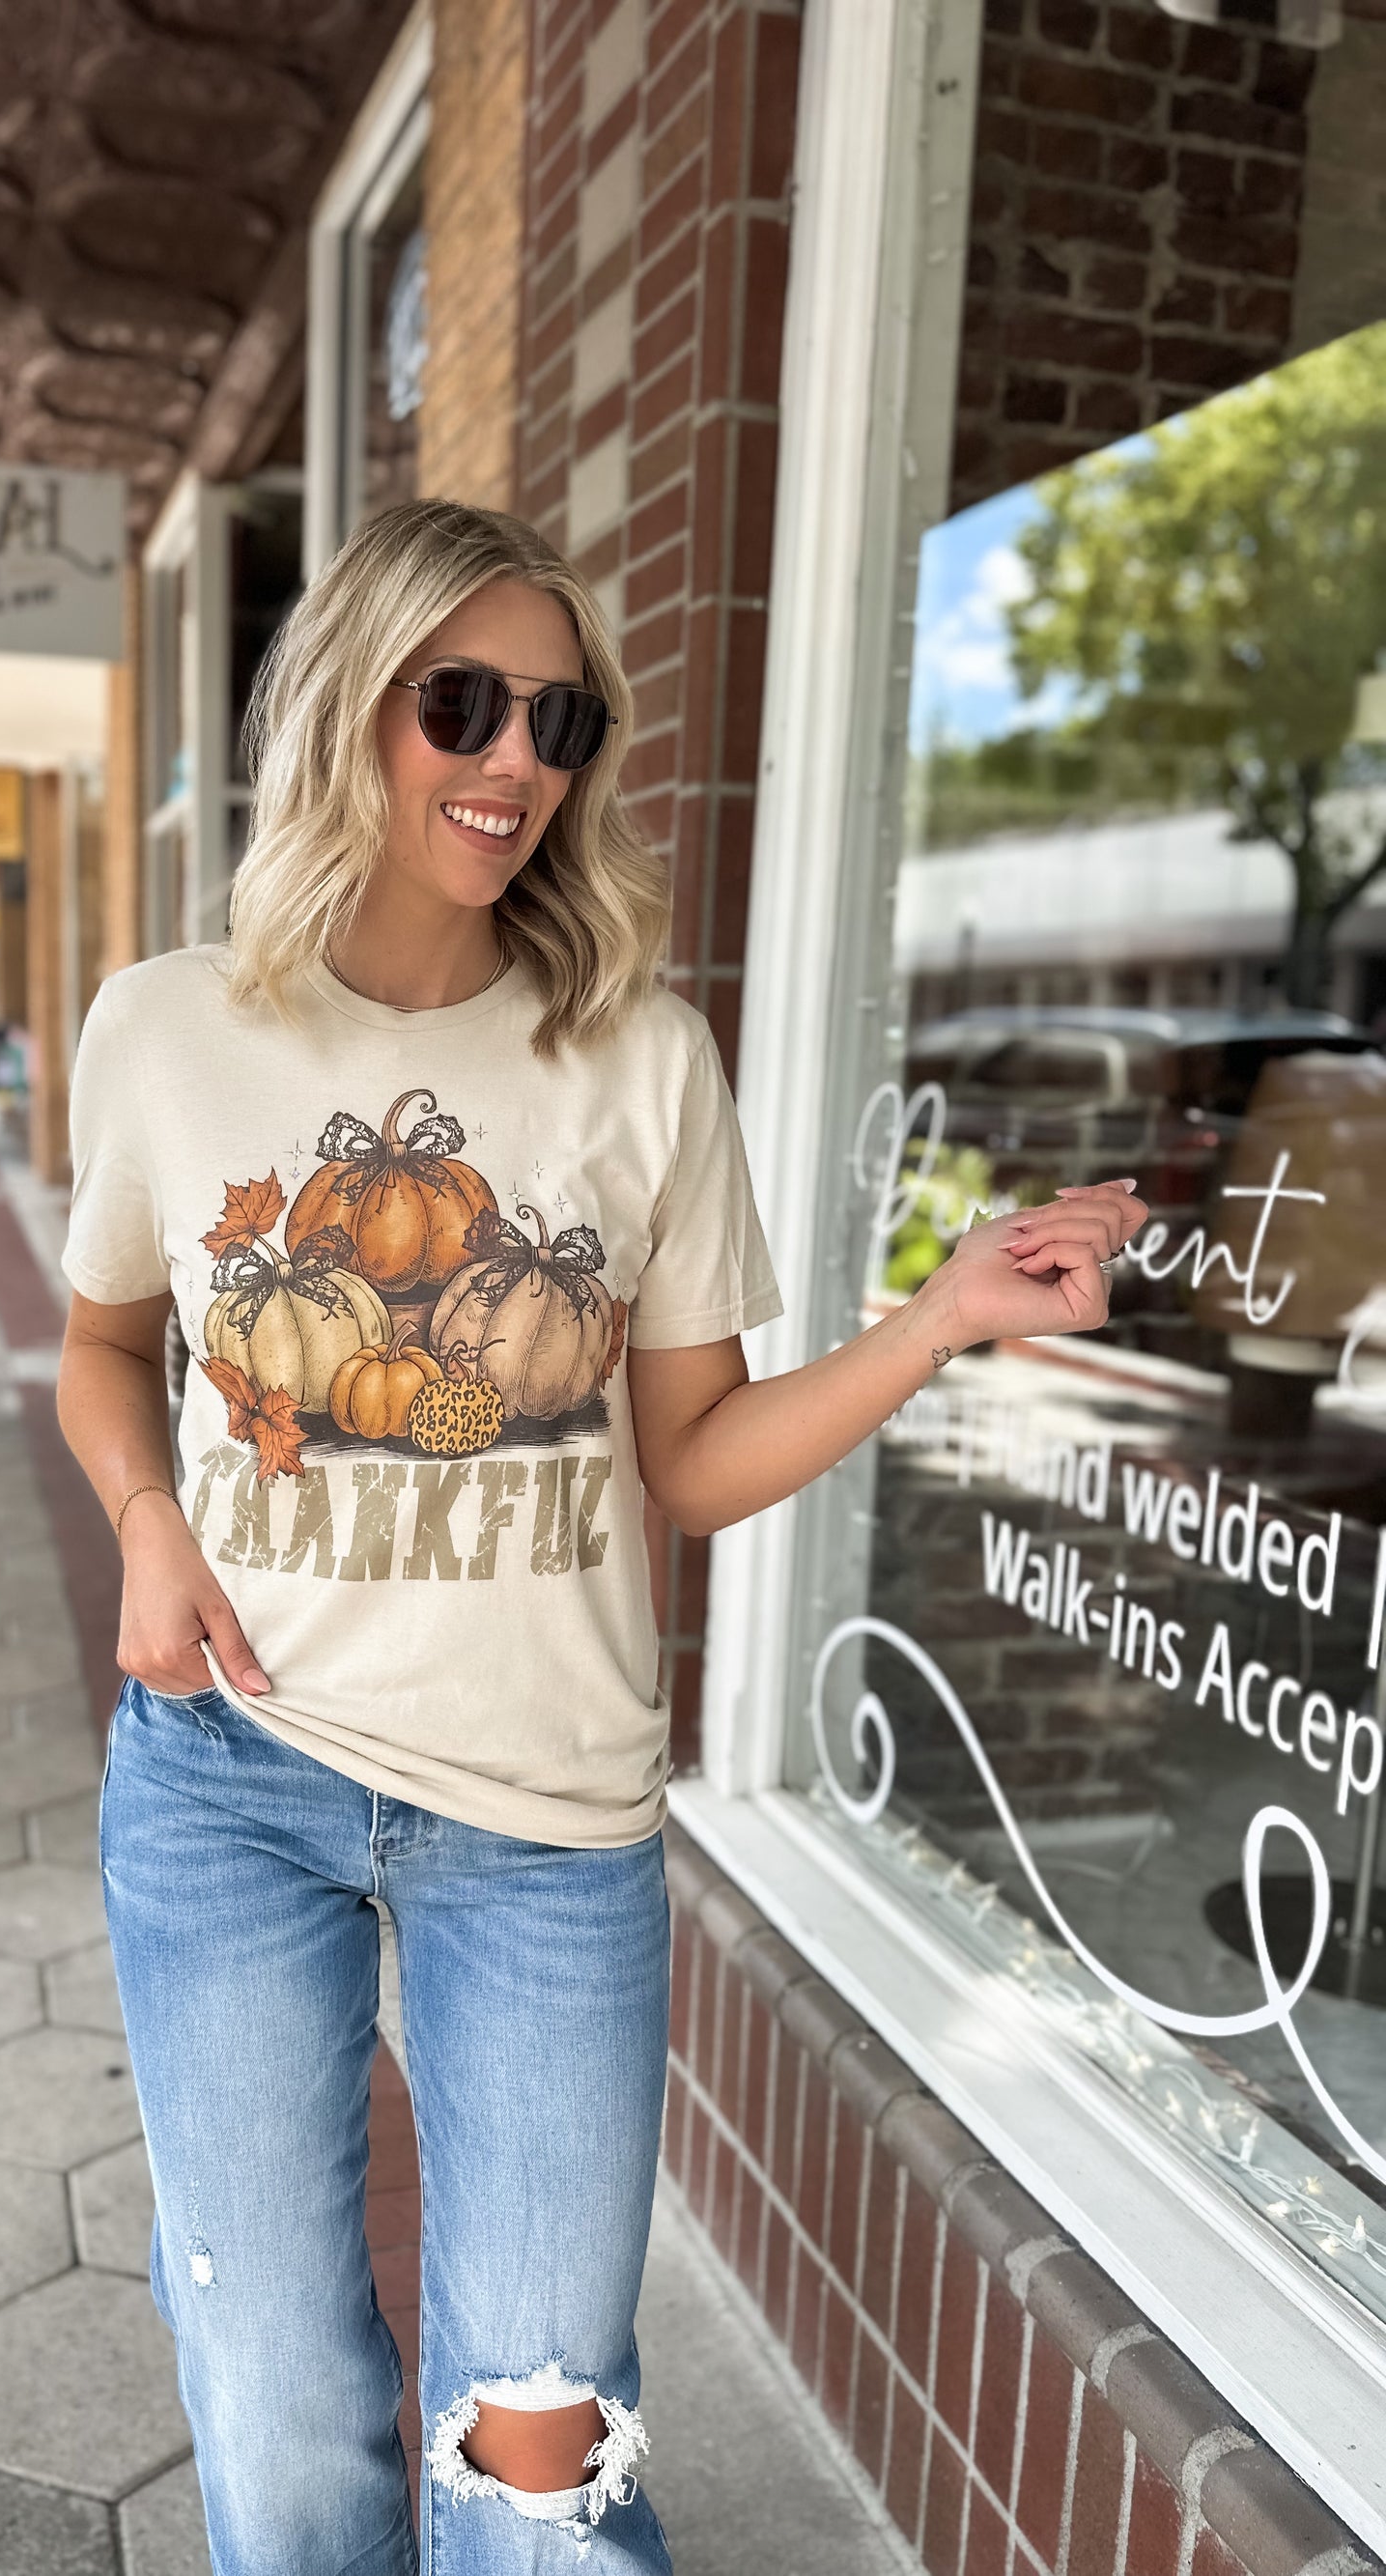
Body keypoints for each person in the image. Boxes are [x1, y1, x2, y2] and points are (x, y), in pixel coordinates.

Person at [55, 499, 1144, 2576]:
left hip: (543, 1833)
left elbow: (697, 1456)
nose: (515, 758)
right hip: (227, 1781)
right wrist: (143, 1522)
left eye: (557, 717)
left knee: (537, 2444)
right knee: (277, 2406)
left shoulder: (635, 1053)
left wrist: (931, 1320)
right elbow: (107, 1345)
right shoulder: (162, 1024)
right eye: (459, 700)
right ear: (343, 711)